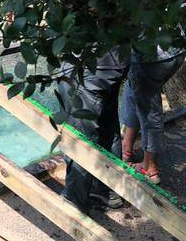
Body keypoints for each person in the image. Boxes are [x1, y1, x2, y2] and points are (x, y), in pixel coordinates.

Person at [58, 48, 130, 214]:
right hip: (115, 61)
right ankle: (107, 191)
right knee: (107, 124)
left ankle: (75, 201)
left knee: (78, 135)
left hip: (88, 64)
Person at [120, 41, 186, 183]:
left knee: (149, 110)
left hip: (152, 57)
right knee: (134, 89)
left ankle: (150, 168)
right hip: (176, 49)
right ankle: (126, 148)